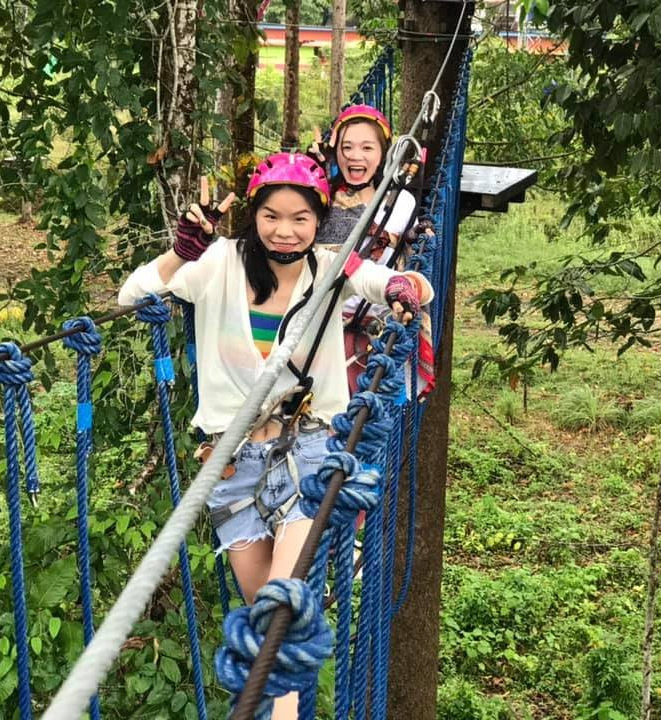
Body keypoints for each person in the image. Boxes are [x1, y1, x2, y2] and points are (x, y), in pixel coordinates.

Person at [118, 153, 431, 719]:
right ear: (253, 216)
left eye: (300, 218)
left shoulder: (333, 266)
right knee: (267, 617)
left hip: (309, 450)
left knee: (280, 610)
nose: (284, 230)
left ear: (319, 222)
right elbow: (131, 296)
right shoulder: (217, 264)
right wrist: (179, 254)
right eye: (271, 215)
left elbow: (407, 285)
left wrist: (406, 291)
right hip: (231, 463)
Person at [310, 104, 436, 396]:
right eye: (347, 147)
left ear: (383, 154)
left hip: (380, 334)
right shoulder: (318, 200)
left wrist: (415, 235)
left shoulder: (400, 203)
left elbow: (403, 248)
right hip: (322, 330)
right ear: (335, 150)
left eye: (367, 147)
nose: (356, 156)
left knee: (370, 422)